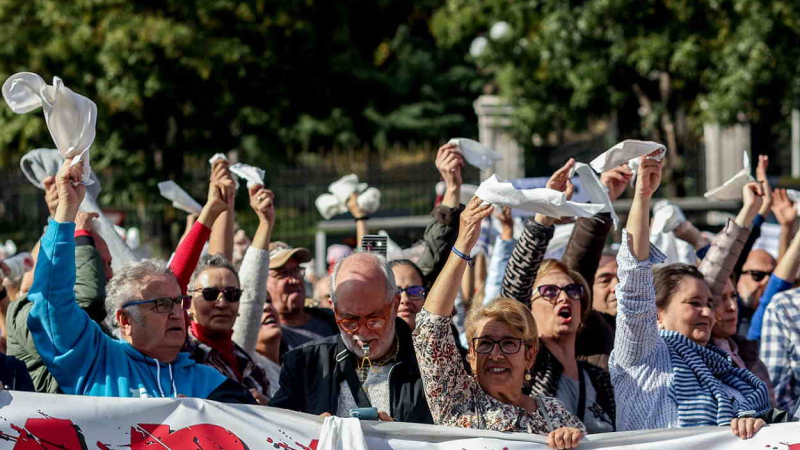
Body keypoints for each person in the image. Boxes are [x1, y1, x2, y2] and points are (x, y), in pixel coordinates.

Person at [27, 159, 255, 403]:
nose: (178, 314)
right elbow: (51, 303)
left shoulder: (215, 386)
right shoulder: (94, 360)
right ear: (125, 320)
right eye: (162, 304)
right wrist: (66, 211)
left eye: (179, 302)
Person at [610, 152, 771, 439]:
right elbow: (634, 276)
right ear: (656, 313)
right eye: (694, 304)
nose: (709, 314)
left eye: (710, 304)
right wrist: (642, 197)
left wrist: (753, 425)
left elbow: (719, 267)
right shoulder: (642, 354)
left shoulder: (723, 368)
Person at [414, 196, 585, 449]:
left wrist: (572, 438)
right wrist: (463, 245)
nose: (495, 354)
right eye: (484, 344)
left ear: (530, 355)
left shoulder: (553, 412)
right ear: (471, 355)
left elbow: (584, 441)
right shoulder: (458, 400)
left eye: (508, 343)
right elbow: (430, 328)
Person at [270, 251, 433, 424]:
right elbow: (272, 433)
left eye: (374, 320)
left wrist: (399, 438)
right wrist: (312, 432)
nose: (362, 332)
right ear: (334, 309)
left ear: (395, 304)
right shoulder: (304, 364)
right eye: (350, 321)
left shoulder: (430, 363)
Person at [186, 254, 272, 404]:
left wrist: (268, 407)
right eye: (209, 294)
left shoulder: (250, 364)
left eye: (232, 294)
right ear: (189, 302)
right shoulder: (181, 356)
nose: (222, 303)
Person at [267, 241, 338, 353]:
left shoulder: (333, 320)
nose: (295, 280)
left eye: (296, 271)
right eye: (283, 273)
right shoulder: (263, 337)